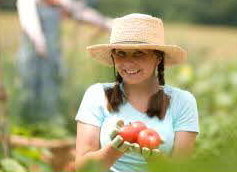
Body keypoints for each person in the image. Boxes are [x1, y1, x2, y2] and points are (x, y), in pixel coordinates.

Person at [74, 13, 199, 172]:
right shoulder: (96, 95)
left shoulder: (183, 102)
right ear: (113, 56)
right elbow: (82, 169)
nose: (128, 62)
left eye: (139, 53)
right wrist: (115, 149)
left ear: (158, 57)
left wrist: (155, 158)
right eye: (120, 53)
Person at [16, 0, 111, 125]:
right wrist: (39, 42)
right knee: (30, 91)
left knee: (52, 90)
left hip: (52, 54)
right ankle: (27, 124)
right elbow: (29, 22)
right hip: (33, 55)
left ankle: (49, 125)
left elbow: (80, 13)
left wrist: (105, 23)